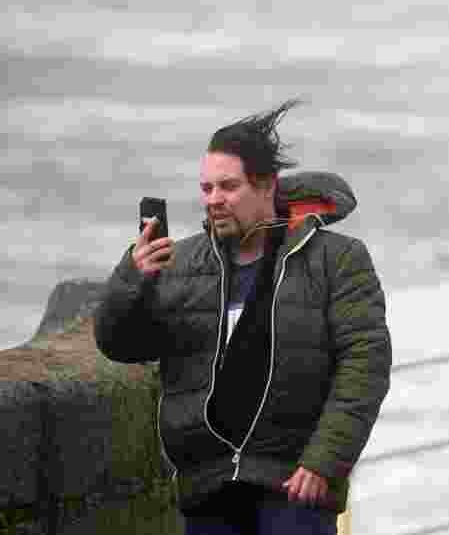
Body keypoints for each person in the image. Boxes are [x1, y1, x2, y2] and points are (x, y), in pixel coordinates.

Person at [94, 99, 392, 534]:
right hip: (208, 486)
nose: (214, 200)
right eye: (206, 188)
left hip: (292, 483)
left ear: (267, 186)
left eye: (228, 187)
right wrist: (131, 279)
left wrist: (324, 462)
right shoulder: (182, 263)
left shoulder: (337, 259)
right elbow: (120, 344)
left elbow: (365, 365)